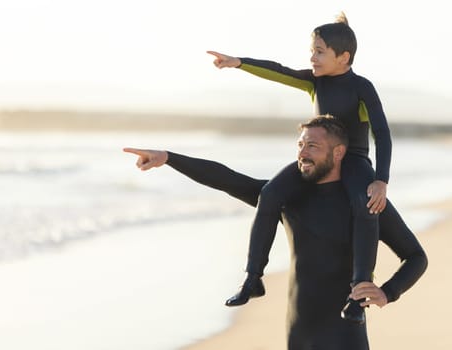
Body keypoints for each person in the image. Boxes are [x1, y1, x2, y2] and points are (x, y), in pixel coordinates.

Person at [123, 115, 427, 349]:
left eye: (313, 146)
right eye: (300, 145)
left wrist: (388, 292)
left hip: (345, 336)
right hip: (299, 332)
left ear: (338, 154)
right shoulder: (288, 198)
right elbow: (227, 179)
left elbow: (415, 257)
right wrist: (169, 158)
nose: (303, 154)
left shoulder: (365, 203)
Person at [207, 12, 390, 323]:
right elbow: (279, 72)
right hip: (317, 157)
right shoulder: (314, 83)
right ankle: (253, 278)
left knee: (365, 205)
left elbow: (382, 134)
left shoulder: (362, 87)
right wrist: (238, 62)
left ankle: (359, 293)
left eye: (320, 51)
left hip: (354, 159)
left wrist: (381, 181)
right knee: (270, 194)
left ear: (343, 57)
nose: (312, 57)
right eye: (312, 50)